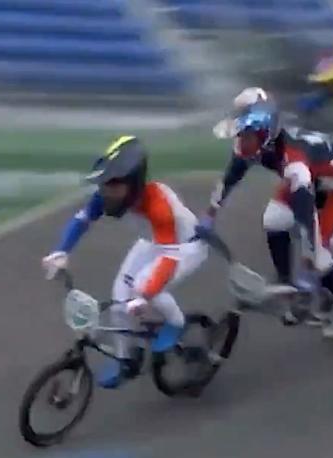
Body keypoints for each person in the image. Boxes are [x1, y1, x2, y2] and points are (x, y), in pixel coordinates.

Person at [41, 136, 208, 389]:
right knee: (120, 295)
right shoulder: (109, 196)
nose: (105, 191)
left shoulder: (159, 206)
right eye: (104, 185)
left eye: (112, 185)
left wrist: (144, 296)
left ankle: (175, 323)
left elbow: (169, 259)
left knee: (142, 287)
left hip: (184, 247)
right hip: (154, 241)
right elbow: (81, 221)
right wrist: (61, 252)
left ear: (133, 183)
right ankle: (125, 356)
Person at [200, 94, 333, 339]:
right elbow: (230, 179)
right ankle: (288, 283)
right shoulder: (256, 146)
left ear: (265, 132)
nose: (241, 142)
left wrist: (311, 251)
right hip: (311, 180)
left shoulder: (294, 160)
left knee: (318, 259)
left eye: (246, 135)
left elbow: (305, 211)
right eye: (239, 135)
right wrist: (210, 214)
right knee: (272, 221)